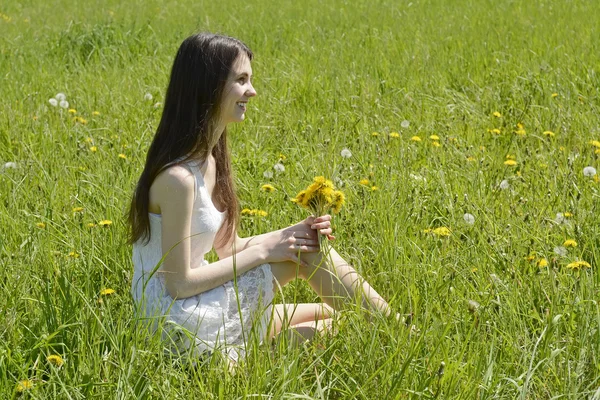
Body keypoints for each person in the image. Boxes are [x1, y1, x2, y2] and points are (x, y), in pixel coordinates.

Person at [128, 33, 394, 361]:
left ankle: (249, 355)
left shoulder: (208, 160)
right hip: (175, 320)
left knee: (338, 314)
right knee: (311, 258)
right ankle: (398, 335)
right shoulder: (177, 180)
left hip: (195, 305)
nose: (252, 91)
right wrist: (268, 250)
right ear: (208, 87)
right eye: (241, 80)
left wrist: (291, 233)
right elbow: (179, 283)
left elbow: (227, 248)